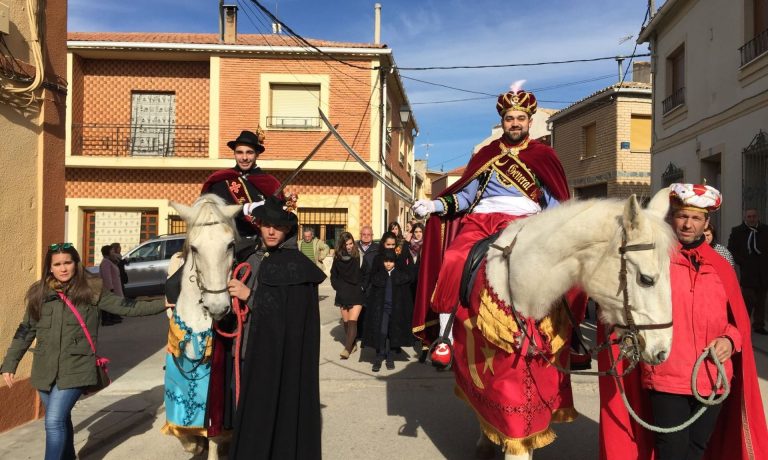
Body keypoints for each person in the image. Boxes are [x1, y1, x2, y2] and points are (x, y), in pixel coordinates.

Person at [599, 183, 768, 460]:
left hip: (713, 376)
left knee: (698, 450)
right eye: (682, 216)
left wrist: (730, 340)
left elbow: (736, 320)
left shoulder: (721, 266)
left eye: (696, 218)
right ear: (672, 218)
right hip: (667, 376)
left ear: (706, 223)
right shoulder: (655, 263)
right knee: (672, 451)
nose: (688, 224)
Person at [411, 87, 573, 349]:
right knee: (454, 258)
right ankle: (446, 335)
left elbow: (554, 201)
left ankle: (560, 332)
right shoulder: (486, 155)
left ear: (530, 122)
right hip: (482, 219)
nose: (515, 124)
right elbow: (465, 197)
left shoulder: (544, 155)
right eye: (510, 119)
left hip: (526, 222)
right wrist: (433, 206)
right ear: (502, 122)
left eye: (520, 118)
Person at [1, 243, 168, 460]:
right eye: (57, 264)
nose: (63, 269)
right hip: (44, 368)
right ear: (49, 268)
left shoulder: (91, 289)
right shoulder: (39, 293)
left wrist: (163, 303)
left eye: (67, 263)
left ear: (76, 264)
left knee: (53, 421)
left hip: (77, 366)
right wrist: (10, 364)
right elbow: (25, 330)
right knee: (60, 419)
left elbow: (126, 306)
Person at [230, 196, 326, 460]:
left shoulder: (295, 265)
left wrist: (249, 295)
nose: (271, 231)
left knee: (274, 408)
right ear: (258, 226)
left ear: (288, 230)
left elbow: (289, 314)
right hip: (256, 347)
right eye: (266, 225)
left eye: (278, 226)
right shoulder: (257, 256)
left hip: (281, 356)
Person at [201, 128, 281, 240]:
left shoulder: (270, 183)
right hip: (227, 246)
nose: (244, 158)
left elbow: (278, 220)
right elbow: (212, 213)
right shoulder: (220, 182)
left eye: (249, 152)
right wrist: (246, 208)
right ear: (234, 154)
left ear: (257, 154)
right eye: (239, 152)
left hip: (261, 246)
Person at [362, 249, 414, 372]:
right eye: (386, 261)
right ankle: (379, 356)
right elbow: (374, 296)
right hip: (382, 310)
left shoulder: (400, 277)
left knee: (392, 333)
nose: (388, 264)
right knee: (382, 332)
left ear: (395, 262)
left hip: (395, 310)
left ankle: (390, 356)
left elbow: (405, 297)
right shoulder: (379, 276)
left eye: (391, 261)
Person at [728, 208, 768, 334]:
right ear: (745, 217)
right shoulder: (738, 231)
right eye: (749, 216)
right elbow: (731, 249)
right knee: (748, 300)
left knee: (761, 301)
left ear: (758, 217)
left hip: (763, 272)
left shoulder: (765, 230)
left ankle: (759, 325)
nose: (752, 219)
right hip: (748, 272)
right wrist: (742, 261)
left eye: (754, 216)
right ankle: (742, 325)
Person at [330, 232, 366, 359]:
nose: (350, 246)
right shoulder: (337, 258)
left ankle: (347, 348)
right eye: (347, 244)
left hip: (356, 293)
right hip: (343, 293)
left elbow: (366, 273)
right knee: (346, 322)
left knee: (352, 321)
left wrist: (362, 287)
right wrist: (338, 287)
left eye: (351, 243)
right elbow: (333, 275)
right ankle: (353, 344)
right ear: (342, 245)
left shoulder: (359, 256)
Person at [98, 245, 123, 326]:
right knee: (108, 303)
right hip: (111, 287)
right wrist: (110, 288)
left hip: (115, 286)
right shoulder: (105, 262)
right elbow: (106, 276)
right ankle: (106, 320)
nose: (113, 253)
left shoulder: (109, 261)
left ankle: (114, 317)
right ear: (108, 252)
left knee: (113, 303)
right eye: (112, 251)